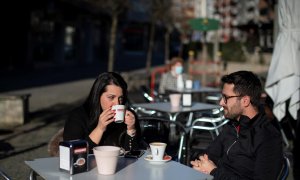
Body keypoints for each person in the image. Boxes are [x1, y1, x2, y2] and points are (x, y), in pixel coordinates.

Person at [190, 71, 284, 179]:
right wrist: (200, 165)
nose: (221, 102)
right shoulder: (232, 125)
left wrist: (214, 171)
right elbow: (209, 154)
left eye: (226, 98)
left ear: (245, 101)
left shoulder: (268, 137)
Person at [63, 72, 142, 152]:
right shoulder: (78, 116)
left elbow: (134, 154)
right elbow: (73, 153)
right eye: (111, 97)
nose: (117, 103)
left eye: (120, 98)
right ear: (98, 95)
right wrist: (99, 129)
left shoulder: (128, 116)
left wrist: (131, 129)